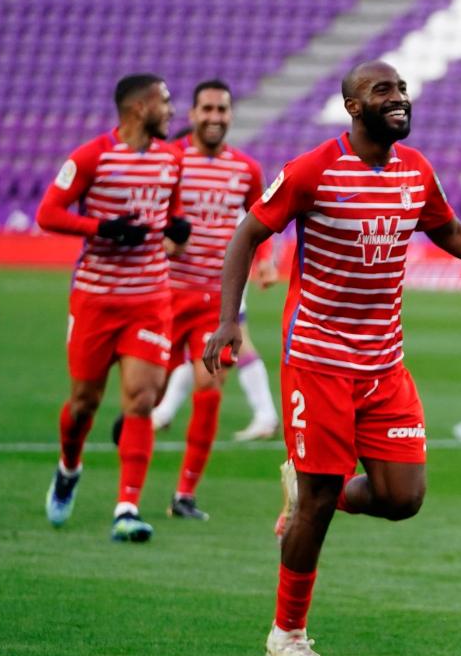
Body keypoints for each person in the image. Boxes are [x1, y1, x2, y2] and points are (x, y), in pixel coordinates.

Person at [203, 60, 461, 656]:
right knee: (320, 499)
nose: (400, 99)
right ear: (354, 107)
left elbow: (454, 234)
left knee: (402, 497)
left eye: (403, 90)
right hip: (320, 360)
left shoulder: (416, 171)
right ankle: (288, 633)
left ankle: (305, 490)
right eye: (384, 91)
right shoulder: (313, 170)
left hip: (385, 362)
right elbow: (246, 235)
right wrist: (230, 319)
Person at [35, 73, 191, 543]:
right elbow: (49, 213)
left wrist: (176, 233)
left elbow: (171, 220)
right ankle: (69, 467)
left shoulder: (172, 158)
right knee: (83, 405)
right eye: (164, 102)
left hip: (149, 298)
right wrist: (102, 227)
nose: (171, 110)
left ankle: (127, 507)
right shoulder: (91, 156)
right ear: (140, 109)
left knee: (142, 400)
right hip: (96, 299)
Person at [151, 79, 268, 520]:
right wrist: (164, 241)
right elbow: (150, 214)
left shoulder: (246, 169)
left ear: (231, 115)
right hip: (162, 293)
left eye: (222, 110)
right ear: (192, 114)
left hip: (215, 301)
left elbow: (263, 218)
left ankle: (184, 494)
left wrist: (266, 262)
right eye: (207, 109)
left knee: (209, 386)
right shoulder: (171, 160)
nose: (215, 117)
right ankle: (128, 489)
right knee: (147, 395)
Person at [151, 121, 281, 444]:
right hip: (199, 280)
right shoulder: (184, 187)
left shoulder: (234, 175)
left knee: (222, 350)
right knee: (204, 354)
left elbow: (258, 218)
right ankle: (164, 411)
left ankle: (265, 414)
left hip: (222, 278)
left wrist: (264, 260)